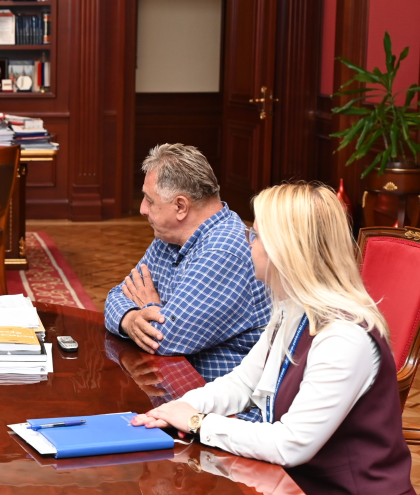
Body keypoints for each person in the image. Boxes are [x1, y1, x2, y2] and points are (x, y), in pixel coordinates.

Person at [132, 182, 415, 495]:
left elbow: (290, 445)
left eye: (255, 236)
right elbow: (243, 383)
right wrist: (178, 409)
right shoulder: (292, 306)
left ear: (285, 250)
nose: (249, 244)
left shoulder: (344, 338)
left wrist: (198, 423)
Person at [104, 144, 270, 383]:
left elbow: (164, 339)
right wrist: (130, 318)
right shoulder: (169, 237)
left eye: (149, 200)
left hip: (217, 395)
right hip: (170, 381)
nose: (142, 209)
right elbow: (116, 296)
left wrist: (149, 305)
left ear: (180, 207)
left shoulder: (224, 250)